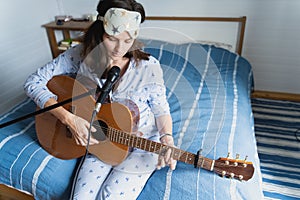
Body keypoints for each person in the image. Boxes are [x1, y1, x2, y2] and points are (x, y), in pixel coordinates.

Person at [24, 0, 177, 199]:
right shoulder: (80, 55)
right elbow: (33, 82)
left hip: (142, 140)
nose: (119, 49)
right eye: (111, 38)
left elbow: (161, 110)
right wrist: (68, 119)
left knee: (111, 196)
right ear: (99, 31)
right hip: (99, 136)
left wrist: (167, 137)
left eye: (127, 40)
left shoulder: (149, 67)